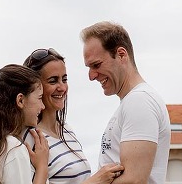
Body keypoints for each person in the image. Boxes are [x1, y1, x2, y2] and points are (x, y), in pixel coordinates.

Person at [80, 21, 171, 184]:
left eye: (96, 65)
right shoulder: (132, 101)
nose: (91, 76)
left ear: (121, 55)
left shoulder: (140, 101)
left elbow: (134, 181)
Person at [22, 48, 124, 184]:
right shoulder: (29, 138)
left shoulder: (66, 129)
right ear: (35, 87)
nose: (62, 87)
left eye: (64, 79)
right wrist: (95, 181)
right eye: (53, 81)